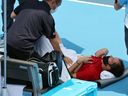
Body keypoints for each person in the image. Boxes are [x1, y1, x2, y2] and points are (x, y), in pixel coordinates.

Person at [7, 0, 72, 65]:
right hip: (24, 48)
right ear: (53, 2)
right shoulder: (47, 17)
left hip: (9, 43)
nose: (56, 8)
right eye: (57, 6)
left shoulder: (28, 2)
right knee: (40, 67)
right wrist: (62, 56)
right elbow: (53, 41)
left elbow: (12, 15)